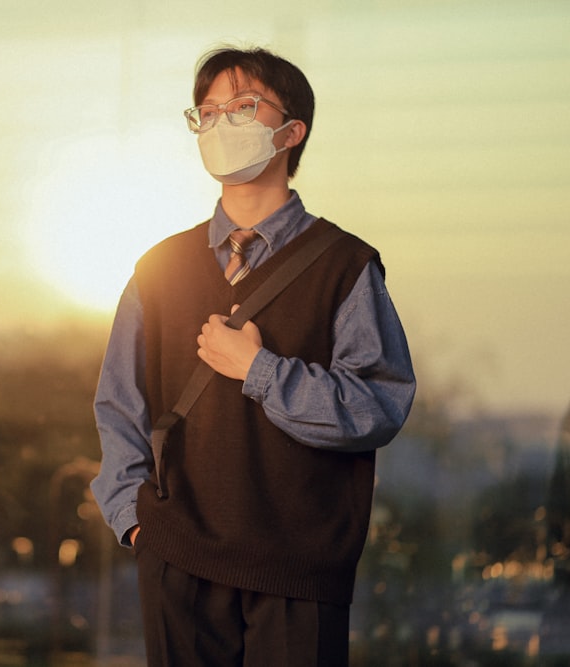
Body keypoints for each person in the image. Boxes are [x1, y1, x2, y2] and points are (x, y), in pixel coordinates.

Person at [90, 46, 416, 666]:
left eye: (242, 107)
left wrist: (259, 371)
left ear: (291, 132)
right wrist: (136, 523)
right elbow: (118, 404)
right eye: (207, 113)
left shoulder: (346, 266)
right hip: (178, 555)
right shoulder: (158, 269)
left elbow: (380, 403)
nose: (220, 124)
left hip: (299, 567)